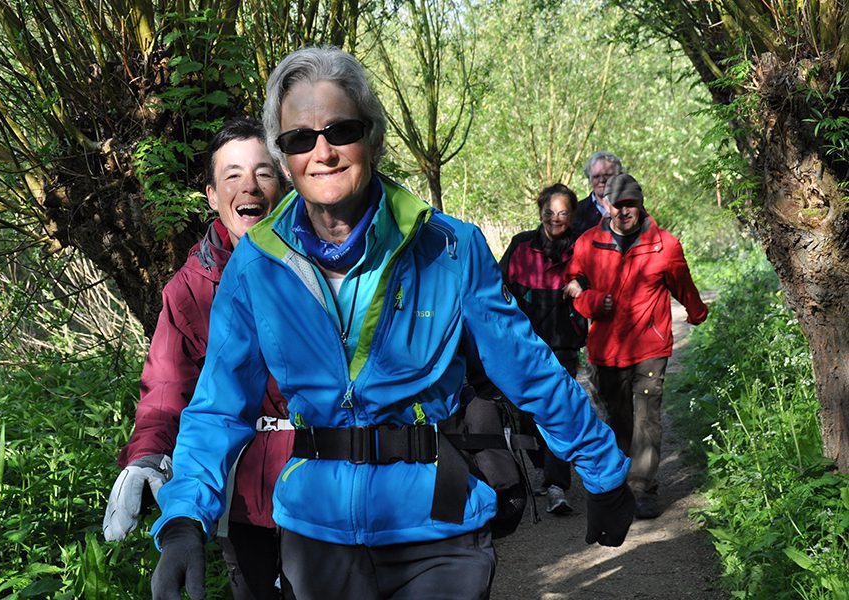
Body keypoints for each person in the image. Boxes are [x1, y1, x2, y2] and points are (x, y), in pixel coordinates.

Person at [150, 47, 635, 600]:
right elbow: (218, 404)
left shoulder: (450, 247)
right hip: (317, 533)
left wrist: (603, 470)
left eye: (342, 129)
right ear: (285, 158)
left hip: (438, 524)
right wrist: (185, 518)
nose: (323, 152)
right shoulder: (256, 265)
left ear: (373, 137)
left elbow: (527, 369)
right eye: (299, 139)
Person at [103, 117, 295, 599]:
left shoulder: (324, 263)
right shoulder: (188, 291)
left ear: (285, 184)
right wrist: (147, 457)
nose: (249, 186)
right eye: (232, 175)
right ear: (212, 195)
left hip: (329, 488)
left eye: (263, 173)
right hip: (244, 497)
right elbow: (167, 392)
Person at [564, 173, 708, 519]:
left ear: (641, 205)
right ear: (607, 205)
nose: (625, 211)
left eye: (631, 204)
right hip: (605, 349)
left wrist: (696, 311)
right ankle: (621, 480)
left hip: (649, 348)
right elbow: (572, 287)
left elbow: (682, 283)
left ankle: (641, 488)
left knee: (647, 420)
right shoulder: (587, 244)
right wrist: (593, 303)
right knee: (617, 419)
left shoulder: (665, 245)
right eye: (619, 204)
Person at [499, 183, 587, 516]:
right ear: (540, 212)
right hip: (523, 347)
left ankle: (556, 485)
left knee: (557, 411)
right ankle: (540, 467)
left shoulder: (582, 247)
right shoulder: (521, 246)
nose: (555, 219)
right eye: (549, 212)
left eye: (563, 213)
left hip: (563, 345)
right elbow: (495, 286)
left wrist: (584, 286)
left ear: (573, 215)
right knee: (525, 413)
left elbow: (600, 281)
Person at [571, 151, 623, 239]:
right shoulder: (576, 213)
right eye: (596, 176)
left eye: (607, 175)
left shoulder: (631, 209)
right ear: (589, 179)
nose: (602, 180)